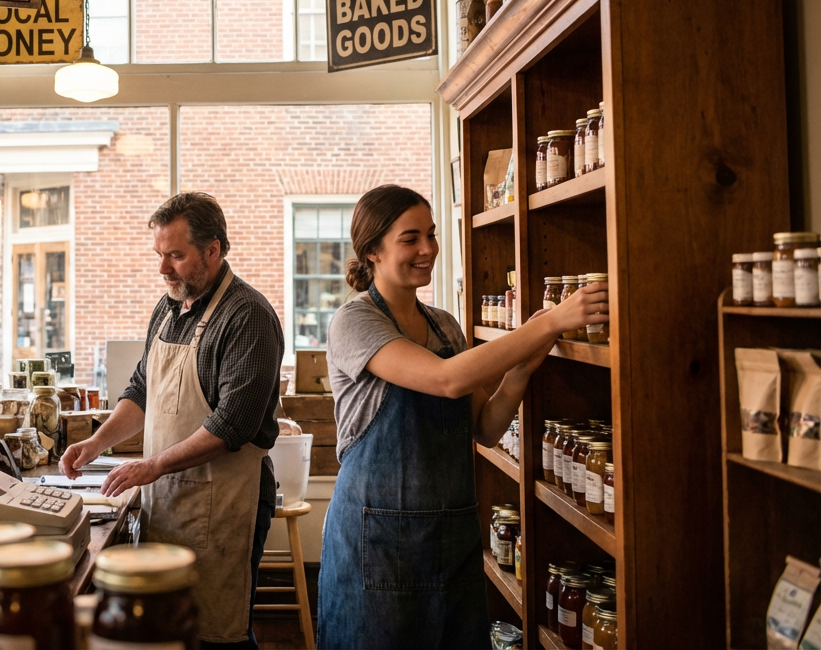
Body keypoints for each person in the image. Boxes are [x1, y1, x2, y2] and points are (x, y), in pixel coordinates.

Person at [317, 186, 608, 649]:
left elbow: (487, 429)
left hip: (451, 545)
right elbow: (446, 380)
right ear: (372, 250)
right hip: (378, 550)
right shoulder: (354, 322)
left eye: (430, 235)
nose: (428, 249)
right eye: (410, 238)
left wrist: (519, 371)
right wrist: (546, 324)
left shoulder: (444, 326)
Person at [61, 192, 283, 649]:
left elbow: (232, 425)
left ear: (213, 250)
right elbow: (141, 390)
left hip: (226, 504)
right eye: (159, 255)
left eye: (176, 256)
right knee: (173, 628)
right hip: (169, 498)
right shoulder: (167, 309)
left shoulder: (248, 317)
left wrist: (153, 465)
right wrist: (97, 443)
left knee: (221, 630)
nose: (163, 269)